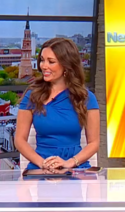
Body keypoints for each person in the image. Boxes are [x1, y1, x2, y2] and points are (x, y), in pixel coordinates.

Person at [14, 38, 99, 170]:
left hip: (74, 167)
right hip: (41, 166)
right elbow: (19, 140)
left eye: (51, 61)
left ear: (66, 65)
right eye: (42, 60)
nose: (43, 66)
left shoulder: (86, 98)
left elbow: (94, 143)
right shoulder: (32, 96)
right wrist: (43, 163)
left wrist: (69, 163)